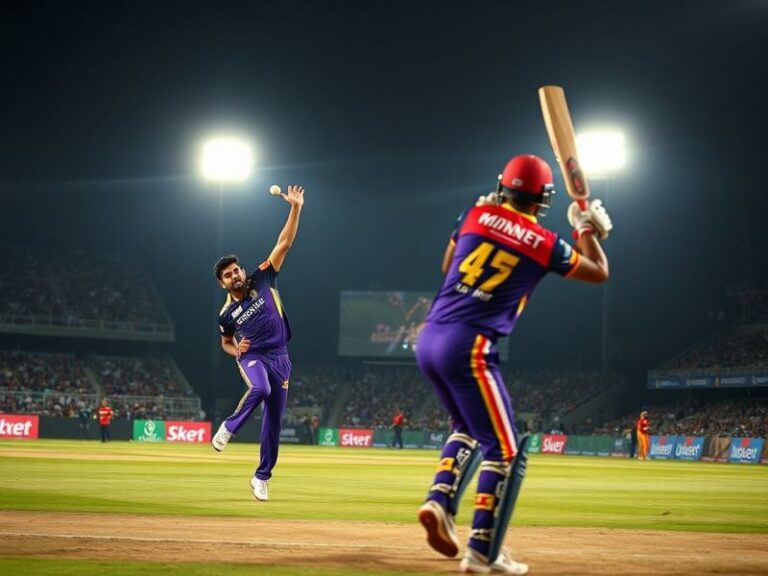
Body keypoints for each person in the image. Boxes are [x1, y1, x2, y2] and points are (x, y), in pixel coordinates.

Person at [415, 155, 612, 574]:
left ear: (503, 186)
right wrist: (585, 227)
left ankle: (440, 501)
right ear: (542, 198)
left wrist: (482, 216)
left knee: (467, 428)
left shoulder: (475, 212)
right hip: (470, 345)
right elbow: (598, 272)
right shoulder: (543, 240)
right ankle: (483, 553)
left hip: (428, 338)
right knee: (504, 451)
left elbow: (448, 264)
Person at [210, 184, 305, 502]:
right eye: (228, 275)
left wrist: (295, 208)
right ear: (222, 283)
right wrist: (235, 350)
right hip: (254, 358)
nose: (235, 275)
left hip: (281, 357)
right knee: (260, 389)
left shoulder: (262, 278)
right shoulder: (226, 313)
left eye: (236, 270)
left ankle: (261, 477)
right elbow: (226, 343)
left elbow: (285, 242)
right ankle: (229, 427)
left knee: (274, 423)